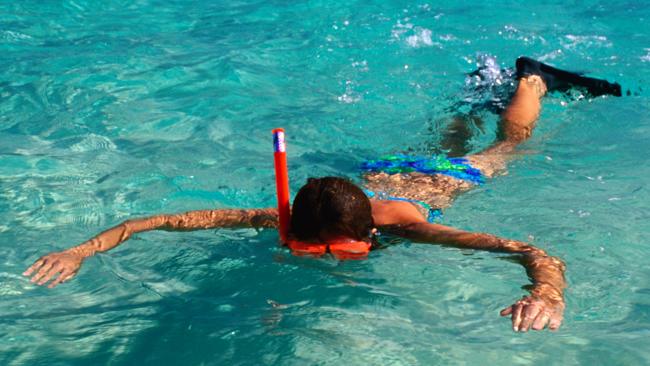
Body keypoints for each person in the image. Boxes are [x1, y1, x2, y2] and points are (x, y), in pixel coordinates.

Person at [23, 57, 622, 333]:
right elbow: (150, 222)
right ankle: (478, 94)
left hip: (444, 181)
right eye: (315, 251)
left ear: (369, 236)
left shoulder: (411, 227)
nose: (329, 259)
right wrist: (82, 249)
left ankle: (533, 78)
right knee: (452, 133)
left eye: (338, 253)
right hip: (390, 168)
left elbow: (534, 252)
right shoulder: (276, 217)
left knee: (511, 144)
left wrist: (546, 294)